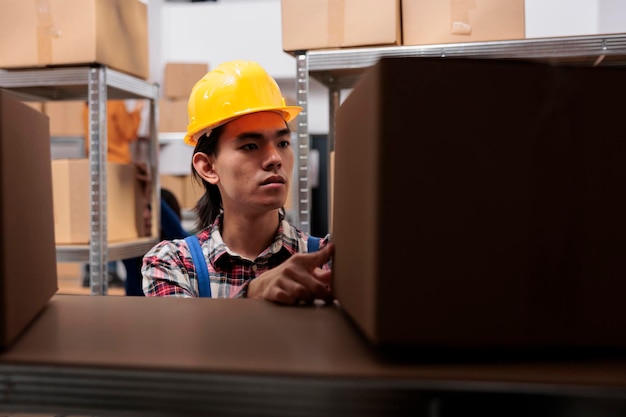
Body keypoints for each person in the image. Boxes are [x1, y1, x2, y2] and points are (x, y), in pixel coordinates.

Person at [141, 60, 334, 304]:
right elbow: (185, 340)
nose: (275, 159)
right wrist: (252, 294)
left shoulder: (327, 259)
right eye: (250, 146)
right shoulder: (174, 264)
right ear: (208, 167)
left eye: (283, 143)